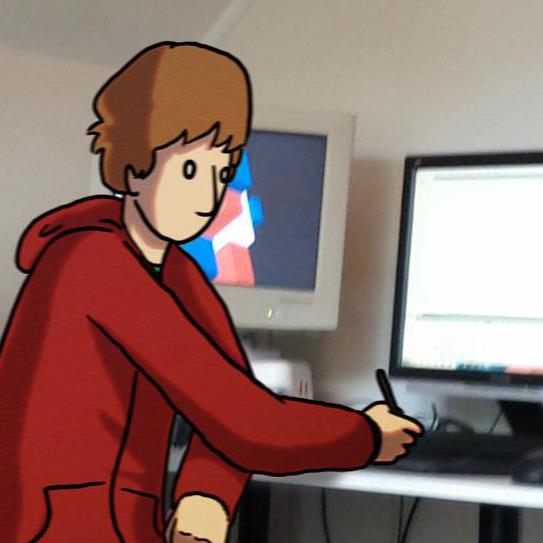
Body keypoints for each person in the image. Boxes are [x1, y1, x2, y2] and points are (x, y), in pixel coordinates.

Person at [0, 42, 423, 543]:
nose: (208, 198)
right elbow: (249, 424)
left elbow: (227, 405)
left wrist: (206, 497)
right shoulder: (92, 263)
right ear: (134, 164)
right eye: (189, 171)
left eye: (221, 174)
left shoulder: (178, 273)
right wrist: (366, 436)